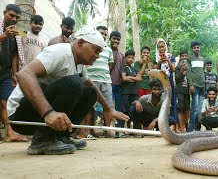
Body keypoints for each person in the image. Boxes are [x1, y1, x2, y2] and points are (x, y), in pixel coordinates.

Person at [7, 26, 129, 155]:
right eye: (96, 50)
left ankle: (61, 136)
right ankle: (42, 140)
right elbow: (24, 74)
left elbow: (90, 85)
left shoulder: (79, 64)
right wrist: (48, 113)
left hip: (39, 115)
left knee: (90, 92)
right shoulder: (60, 52)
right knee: (74, 82)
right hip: (20, 116)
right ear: (81, 43)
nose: (97, 56)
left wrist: (108, 109)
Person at [79, 25, 115, 139]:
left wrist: (103, 73)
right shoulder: (90, 47)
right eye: (101, 33)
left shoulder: (108, 50)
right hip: (91, 79)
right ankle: (90, 131)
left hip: (106, 80)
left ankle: (108, 131)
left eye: (105, 34)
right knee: (90, 106)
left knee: (108, 105)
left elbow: (110, 65)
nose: (103, 36)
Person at [0, 4, 27, 142]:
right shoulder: (6, 32)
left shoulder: (16, 33)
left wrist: (15, 73)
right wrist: (4, 35)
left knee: (6, 102)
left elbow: (15, 55)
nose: (14, 19)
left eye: (17, 17)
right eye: (11, 15)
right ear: (4, 13)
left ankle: (9, 133)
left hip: (4, 72)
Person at [154, 38, 177, 127]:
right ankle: (161, 125)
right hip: (159, 83)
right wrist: (159, 61)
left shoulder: (171, 56)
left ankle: (173, 125)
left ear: (165, 47)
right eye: (159, 47)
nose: (161, 49)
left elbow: (174, 69)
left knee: (171, 101)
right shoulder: (156, 57)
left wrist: (168, 61)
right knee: (161, 102)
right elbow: (155, 70)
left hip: (169, 82)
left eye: (163, 47)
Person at [120, 50, 142, 137]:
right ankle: (126, 130)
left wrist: (129, 77)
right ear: (125, 58)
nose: (130, 59)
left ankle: (136, 130)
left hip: (134, 93)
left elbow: (139, 79)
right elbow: (123, 78)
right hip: (125, 92)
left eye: (132, 58)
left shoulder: (134, 68)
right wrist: (134, 78)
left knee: (134, 110)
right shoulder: (123, 67)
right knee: (125, 110)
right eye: (128, 57)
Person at [109, 31, 125, 137]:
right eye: (114, 38)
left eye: (118, 39)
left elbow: (122, 71)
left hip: (118, 85)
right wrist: (114, 50)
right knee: (108, 107)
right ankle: (107, 130)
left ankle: (119, 131)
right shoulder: (106, 52)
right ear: (110, 39)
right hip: (108, 84)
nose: (116, 41)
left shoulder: (122, 55)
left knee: (119, 108)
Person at [187, 41, 205, 132]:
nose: (196, 49)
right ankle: (190, 129)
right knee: (194, 108)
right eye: (195, 48)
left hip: (202, 86)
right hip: (195, 86)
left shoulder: (203, 59)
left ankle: (198, 129)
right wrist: (191, 85)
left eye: (198, 47)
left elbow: (203, 72)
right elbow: (188, 72)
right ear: (192, 49)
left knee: (200, 109)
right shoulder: (189, 58)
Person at [175, 50, 190, 132]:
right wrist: (181, 71)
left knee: (187, 109)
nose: (184, 57)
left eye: (185, 56)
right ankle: (181, 128)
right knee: (180, 109)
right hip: (179, 90)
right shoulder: (178, 67)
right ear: (180, 57)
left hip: (187, 91)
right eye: (182, 56)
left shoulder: (189, 66)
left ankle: (186, 127)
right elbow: (176, 79)